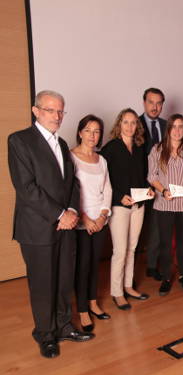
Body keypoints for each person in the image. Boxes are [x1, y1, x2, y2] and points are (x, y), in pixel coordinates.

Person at [7, 90, 94, 359]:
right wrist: (60, 214)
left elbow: (70, 182)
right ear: (36, 111)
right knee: (43, 284)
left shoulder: (62, 142)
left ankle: (64, 326)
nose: (57, 116)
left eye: (60, 111)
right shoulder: (20, 141)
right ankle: (45, 334)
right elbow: (26, 188)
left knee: (64, 279)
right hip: (37, 228)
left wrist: (69, 210)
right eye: (50, 110)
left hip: (65, 225)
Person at [101, 108, 153, 309]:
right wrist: (117, 197)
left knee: (132, 248)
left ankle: (128, 286)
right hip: (119, 206)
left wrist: (148, 191)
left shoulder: (140, 148)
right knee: (120, 250)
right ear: (119, 125)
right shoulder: (110, 148)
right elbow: (103, 181)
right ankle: (117, 292)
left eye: (133, 123)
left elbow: (143, 177)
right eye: (126, 122)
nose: (130, 126)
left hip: (138, 205)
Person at [148, 114, 183, 295]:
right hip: (165, 203)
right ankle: (166, 278)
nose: (177, 130)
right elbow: (152, 176)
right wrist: (163, 191)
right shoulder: (157, 149)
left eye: (181, 126)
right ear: (168, 129)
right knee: (165, 243)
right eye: (174, 126)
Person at [71, 115, 112, 332]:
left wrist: (103, 216)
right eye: (88, 130)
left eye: (96, 131)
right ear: (80, 132)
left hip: (99, 221)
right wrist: (85, 219)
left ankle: (93, 302)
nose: (92, 135)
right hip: (81, 222)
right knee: (83, 265)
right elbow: (70, 193)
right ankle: (82, 310)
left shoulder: (101, 160)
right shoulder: (71, 158)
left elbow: (107, 189)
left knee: (96, 264)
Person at [139, 88, 167, 281]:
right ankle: (130, 271)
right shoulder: (135, 123)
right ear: (144, 103)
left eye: (158, 103)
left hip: (161, 185)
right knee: (135, 229)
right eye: (151, 102)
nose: (155, 107)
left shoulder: (167, 125)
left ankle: (151, 265)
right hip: (140, 185)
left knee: (157, 226)